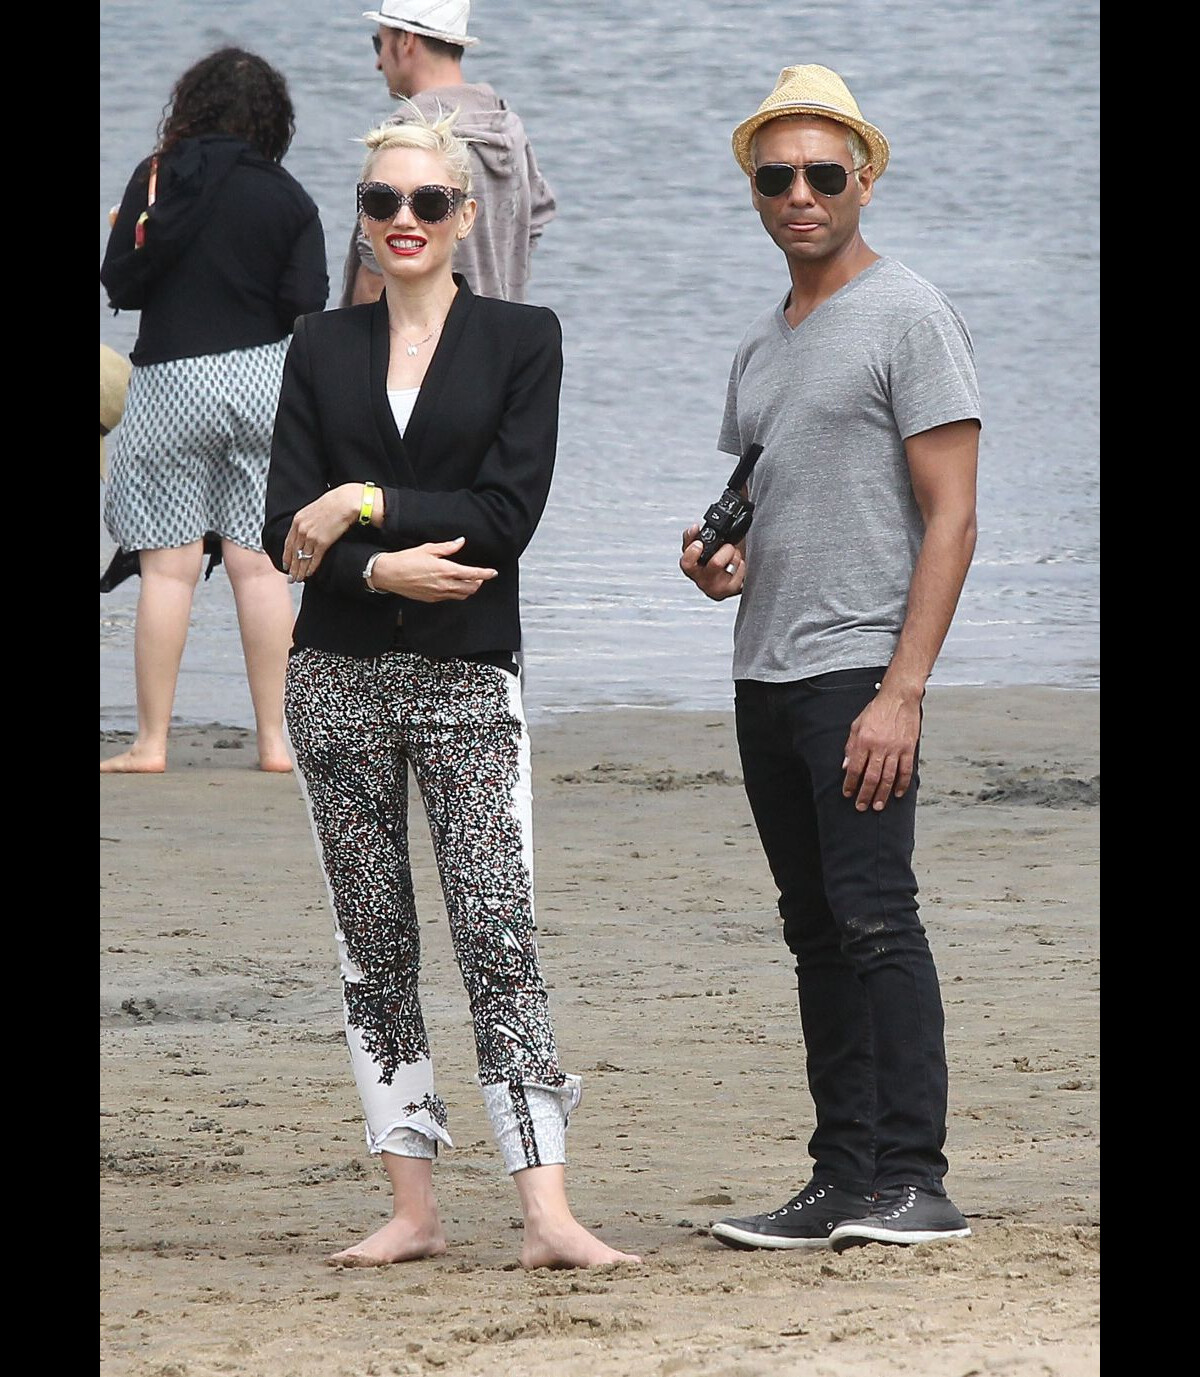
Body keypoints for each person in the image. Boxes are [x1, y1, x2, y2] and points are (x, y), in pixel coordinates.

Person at [262, 111, 638, 1271]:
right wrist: (370, 564)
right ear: (363, 221)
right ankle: (414, 1208)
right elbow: (287, 529)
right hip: (334, 679)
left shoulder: (524, 337)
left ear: (468, 216)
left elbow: (504, 518)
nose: (406, 222)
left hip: (470, 677)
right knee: (373, 941)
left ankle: (547, 1213)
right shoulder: (318, 345)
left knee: (495, 932)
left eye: (429, 203)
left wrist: (363, 505)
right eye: (383, 204)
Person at [679, 65, 982, 1252]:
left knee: (874, 918)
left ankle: (916, 1179)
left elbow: (952, 516)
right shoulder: (764, 344)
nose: (799, 193)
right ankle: (843, 1178)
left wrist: (902, 691)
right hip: (767, 673)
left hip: (863, 669)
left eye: (822, 173)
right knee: (814, 927)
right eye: (776, 176)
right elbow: (767, 508)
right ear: (755, 191)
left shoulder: (909, 312)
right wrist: (722, 563)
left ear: (863, 177)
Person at [99, 47, 329, 774]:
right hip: (264, 379)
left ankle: (152, 743)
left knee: (167, 571)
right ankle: (273, 743)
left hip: (171, 381)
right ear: (272, 119)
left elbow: (120, 284)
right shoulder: (288, 195)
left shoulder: (156, 179)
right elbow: (306, 303)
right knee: (259, 569)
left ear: (188, 107)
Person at [340, 0, 555, 307]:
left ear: (405, 40)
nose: (378, 62)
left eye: (379, 42)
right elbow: (534, 220)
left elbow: (376, 278)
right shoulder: (507, 127)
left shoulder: (405, 139)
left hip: (418, 344)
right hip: (498, 339)